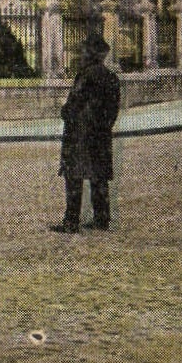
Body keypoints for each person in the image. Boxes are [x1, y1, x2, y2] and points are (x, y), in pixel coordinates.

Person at [52, 32, 121, 232]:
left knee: (73, 178)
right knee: (99, 177)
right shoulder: (111, 77)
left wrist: (65, 113)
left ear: (90, 54)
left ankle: (71, 222)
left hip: (79, 135)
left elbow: (74, 102)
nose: (80, 54)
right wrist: (104, 126)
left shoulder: (85, 75)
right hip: (101, 135)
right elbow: (113, 110)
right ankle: (102, 219)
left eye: (83, 51)